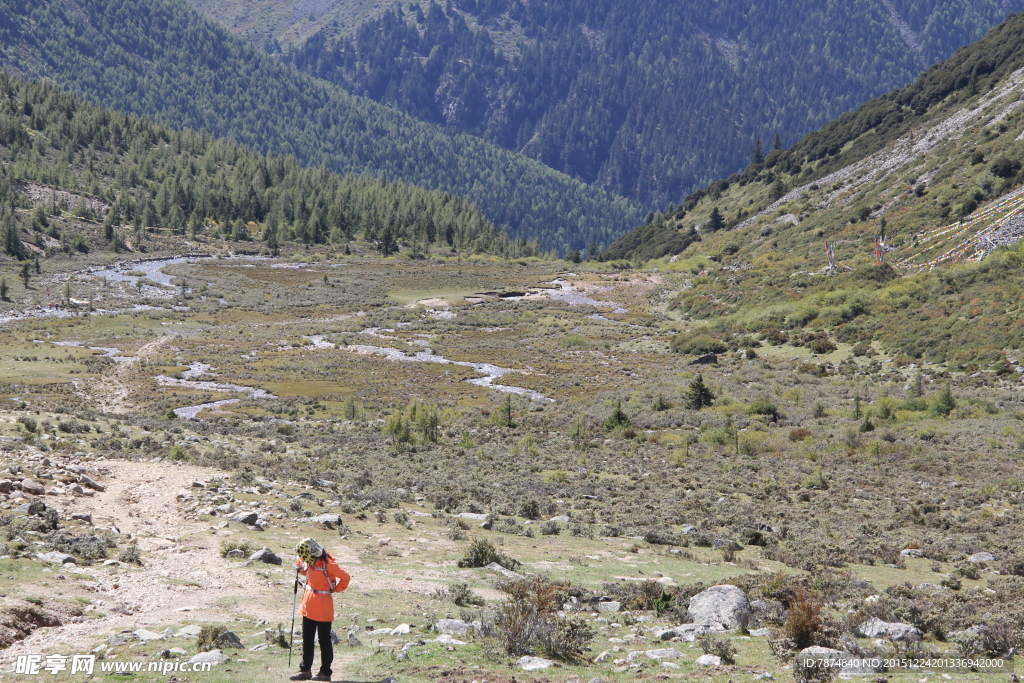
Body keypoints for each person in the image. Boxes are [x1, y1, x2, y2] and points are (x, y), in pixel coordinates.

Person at [290, 538, 351, 682]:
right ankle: (305, 670)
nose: (303, 559)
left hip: (323, 607)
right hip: (308, 605)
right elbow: (306, 570)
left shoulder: (329, 564)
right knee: (307, 639)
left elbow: (346, 577)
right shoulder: (310, 560)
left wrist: (336, 589)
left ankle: (325, 672)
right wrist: (300, 566)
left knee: (324, 640)